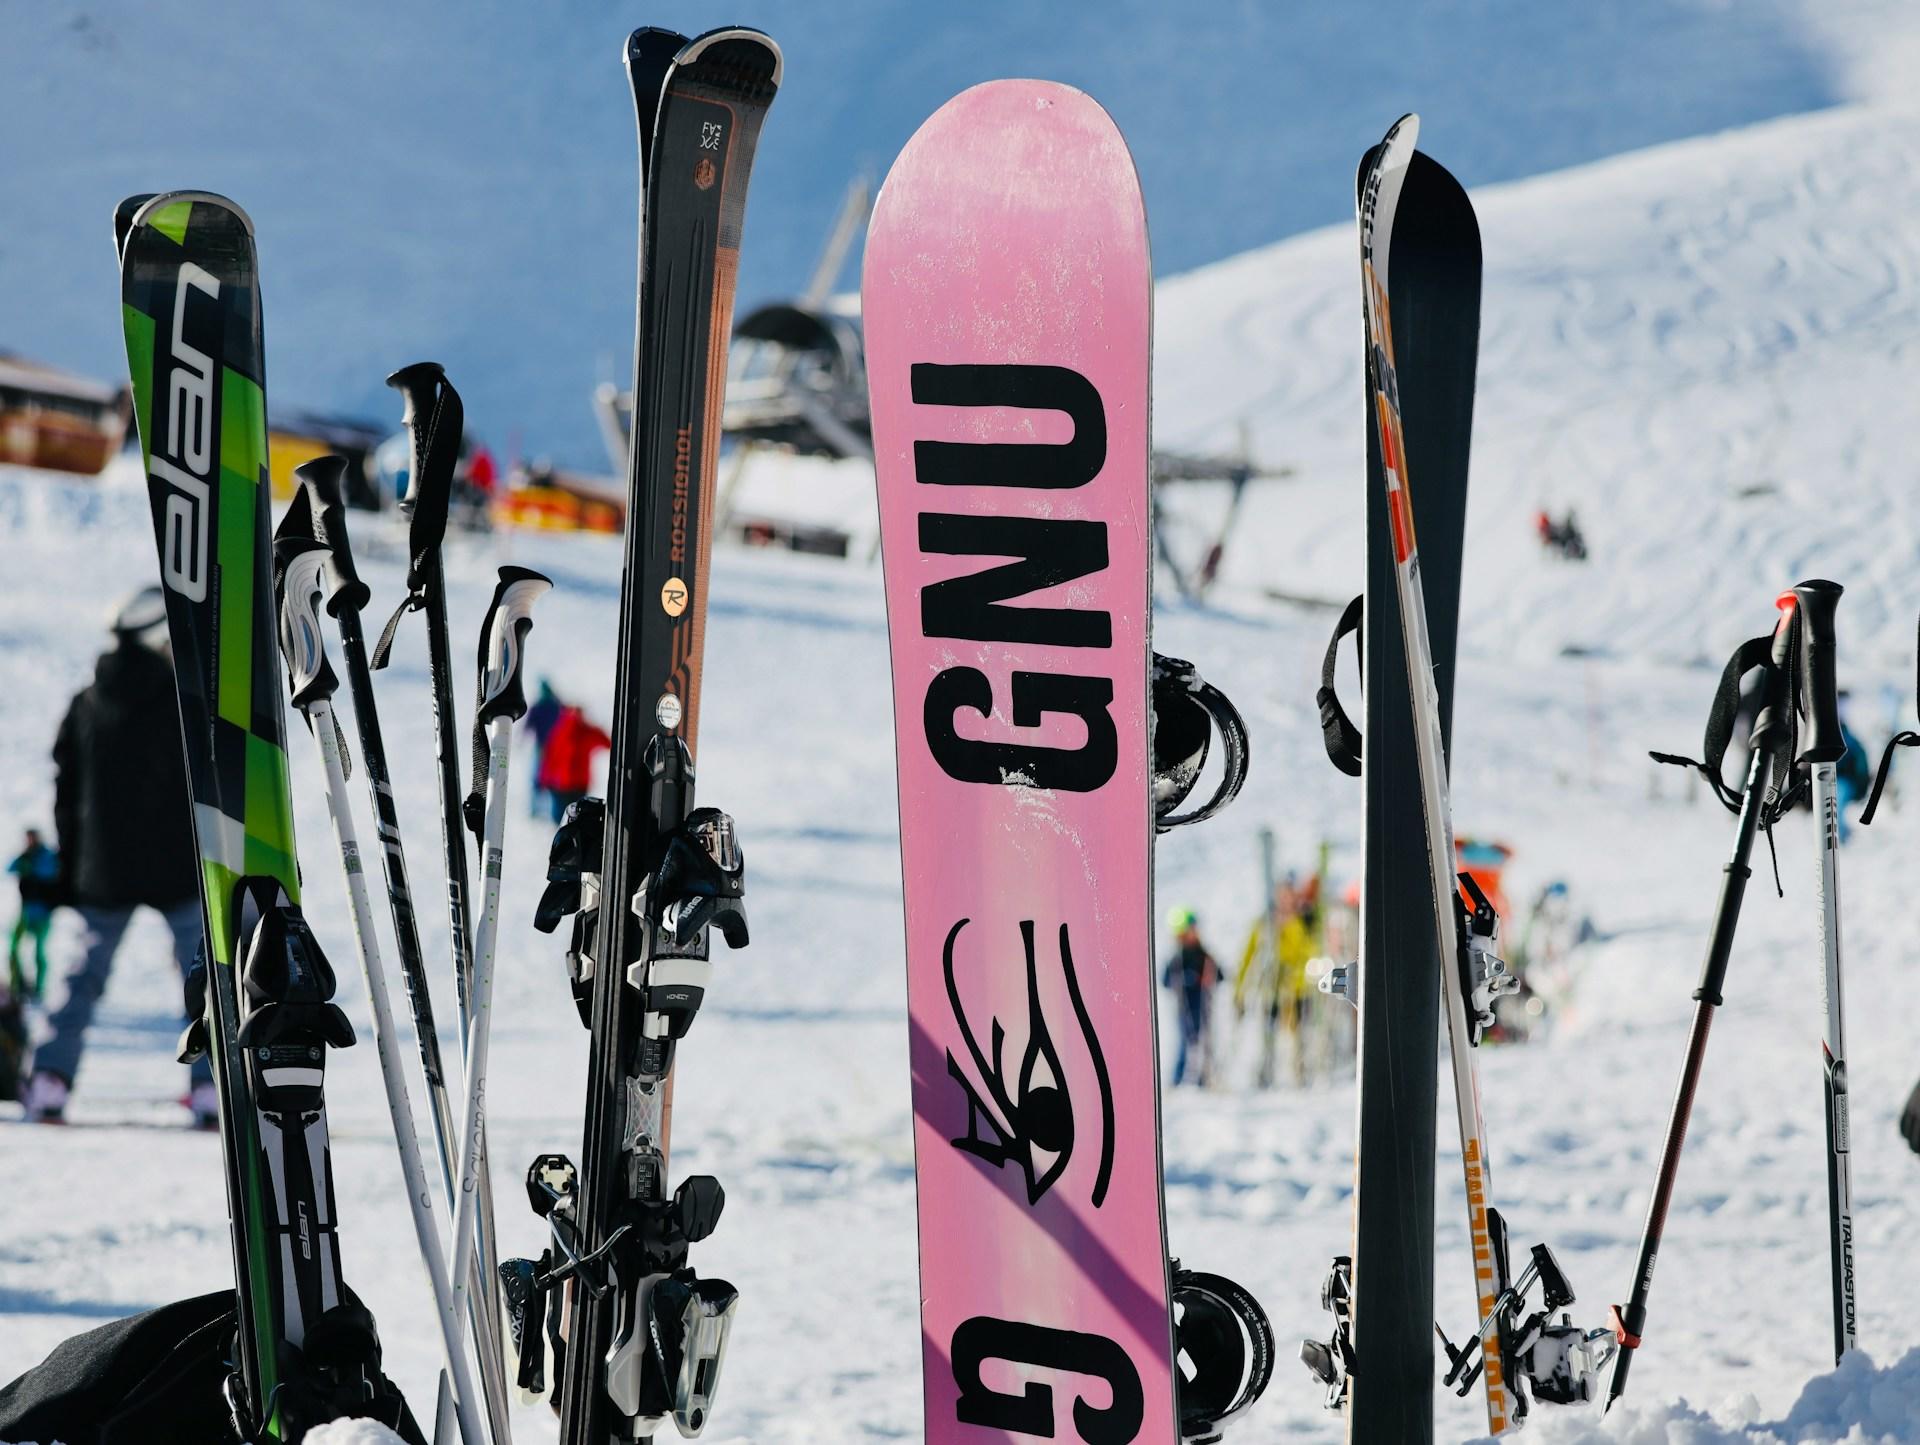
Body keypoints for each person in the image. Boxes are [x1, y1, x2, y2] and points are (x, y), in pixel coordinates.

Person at [23, 587, 214, 1126]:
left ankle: (48, 1080)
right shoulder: (185, 701)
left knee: (81, 976)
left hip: (104, 870)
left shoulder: (86, 703)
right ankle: (209, 1086)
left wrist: (68, 868)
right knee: (201, 977)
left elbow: (67, 791)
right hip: (177, 866)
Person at [1161, 906, 1218, 1088]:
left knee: (1206, 1043)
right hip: (1184, 1008)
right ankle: (1177, 1078)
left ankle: (1205, 1077)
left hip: (1202, 1006)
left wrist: (1209, 978)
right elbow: (1166, 981)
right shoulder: (1177, 958)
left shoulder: (1204, 955)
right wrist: (1187, 979)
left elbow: (1220, 975)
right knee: (1184, 1043)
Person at [537, 703, 612, 823]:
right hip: (576, 784)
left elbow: (549, 758)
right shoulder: (586, 731)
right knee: (577, 818)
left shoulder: (559, 731)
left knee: (560, 819)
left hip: (560, 783)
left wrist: (543, 779)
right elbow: (607, 742)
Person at [8, 828, 60, 1000]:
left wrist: (31, 866)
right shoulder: (26, 856)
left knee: (39, 952)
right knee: (13, 948)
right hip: (25, 911)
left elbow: (50, 872)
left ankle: (39, 988)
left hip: (42, 913)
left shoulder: (45, 855)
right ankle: (17, 984)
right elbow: (9, 868)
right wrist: (23, 860)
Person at [522, 680, 565, 819]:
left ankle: (537, 810)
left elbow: (527, 726)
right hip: (554, 748)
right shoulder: (556, 705)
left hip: (545, 748)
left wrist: (520, 739)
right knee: (551, 779)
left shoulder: (541, 706)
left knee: (539, 778)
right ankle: (548, 811)